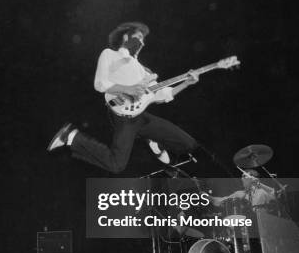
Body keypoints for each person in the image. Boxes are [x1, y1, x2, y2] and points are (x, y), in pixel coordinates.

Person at [48, 22, 199, 173]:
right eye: (139, 37)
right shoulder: (109, 54)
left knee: (189, 143)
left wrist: (186, 83)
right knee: (117, 165)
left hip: (142, 117)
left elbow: (162, 94)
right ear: (127, 37)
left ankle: (158, 147)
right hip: (123, 118)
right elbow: (100, 84)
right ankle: (72, 137)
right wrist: (129, 88)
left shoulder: (144, 70)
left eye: (143, 39)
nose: (142, 42)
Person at [211, 169, 276, 208]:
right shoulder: (239, 194)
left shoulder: (262, 192)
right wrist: (209, 197)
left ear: (252, 178)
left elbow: (274, 194)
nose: (241, 179)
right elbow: (224, 200)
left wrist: (259, 184)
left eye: (244, 176)